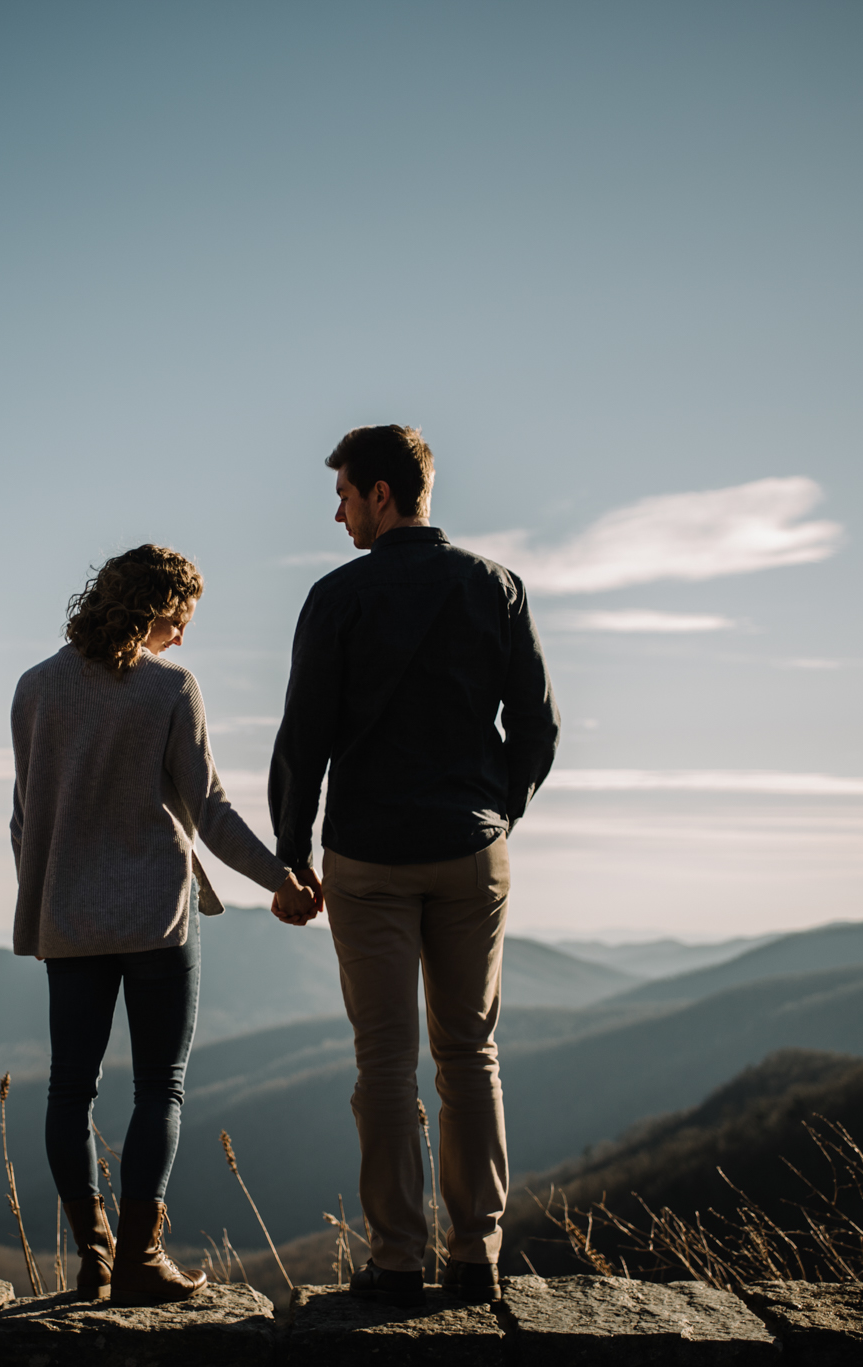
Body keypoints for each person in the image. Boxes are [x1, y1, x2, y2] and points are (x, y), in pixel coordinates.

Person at [269, 425, 560, 1307]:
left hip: (368, 857)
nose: (339, 512)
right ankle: (477, 1256)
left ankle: (397, 1261)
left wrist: (292, 849)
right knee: (471, 1054)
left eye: (347, 495)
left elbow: (303, 741)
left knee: (386, 1062)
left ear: (384, 496)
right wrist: (493, 814)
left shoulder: (337, 597)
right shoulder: (496, 587)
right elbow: (538, 729)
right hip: (472, 854)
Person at [12, 544, 319, 1304]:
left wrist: (47, 889)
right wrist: (280, 879)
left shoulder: (35, 688)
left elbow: (27, 816)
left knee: (67, 1089)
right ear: (152, 612)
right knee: (160, 1087)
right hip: (157, 917)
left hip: (69, 919)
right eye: (179, 620)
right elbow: (209, 808)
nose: (183, 638)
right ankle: (142, 1260)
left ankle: (94, 1255)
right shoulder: (170, 688)